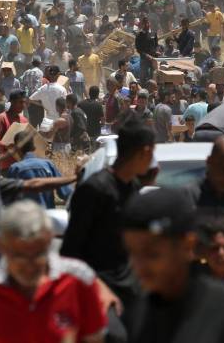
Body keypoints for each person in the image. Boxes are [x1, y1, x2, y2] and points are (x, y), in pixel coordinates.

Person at [121, 188, 224, 343]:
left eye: (151, 254)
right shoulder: (135, 317)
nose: (139, 266)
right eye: (133, 253)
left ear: (187, 245)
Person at [0, 201, 107, 343]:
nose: (29, 266)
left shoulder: (79, 280)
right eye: (19, 256)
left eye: (38, 255)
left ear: (49, 241)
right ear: (1, 246)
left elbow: (94, 338)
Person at [61, 121, 155, 307]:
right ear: (144, 152)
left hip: (129, 287)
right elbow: (71, 249)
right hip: (98, 290)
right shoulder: (95, 189)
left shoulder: (133, 186)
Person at [4, 127, 72, 209]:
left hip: (24, 219)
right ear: (34, 147)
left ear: (16, 149)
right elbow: (66, 192)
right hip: (47, 218)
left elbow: (7, 200)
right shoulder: (48, 165)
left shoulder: (15, 169)